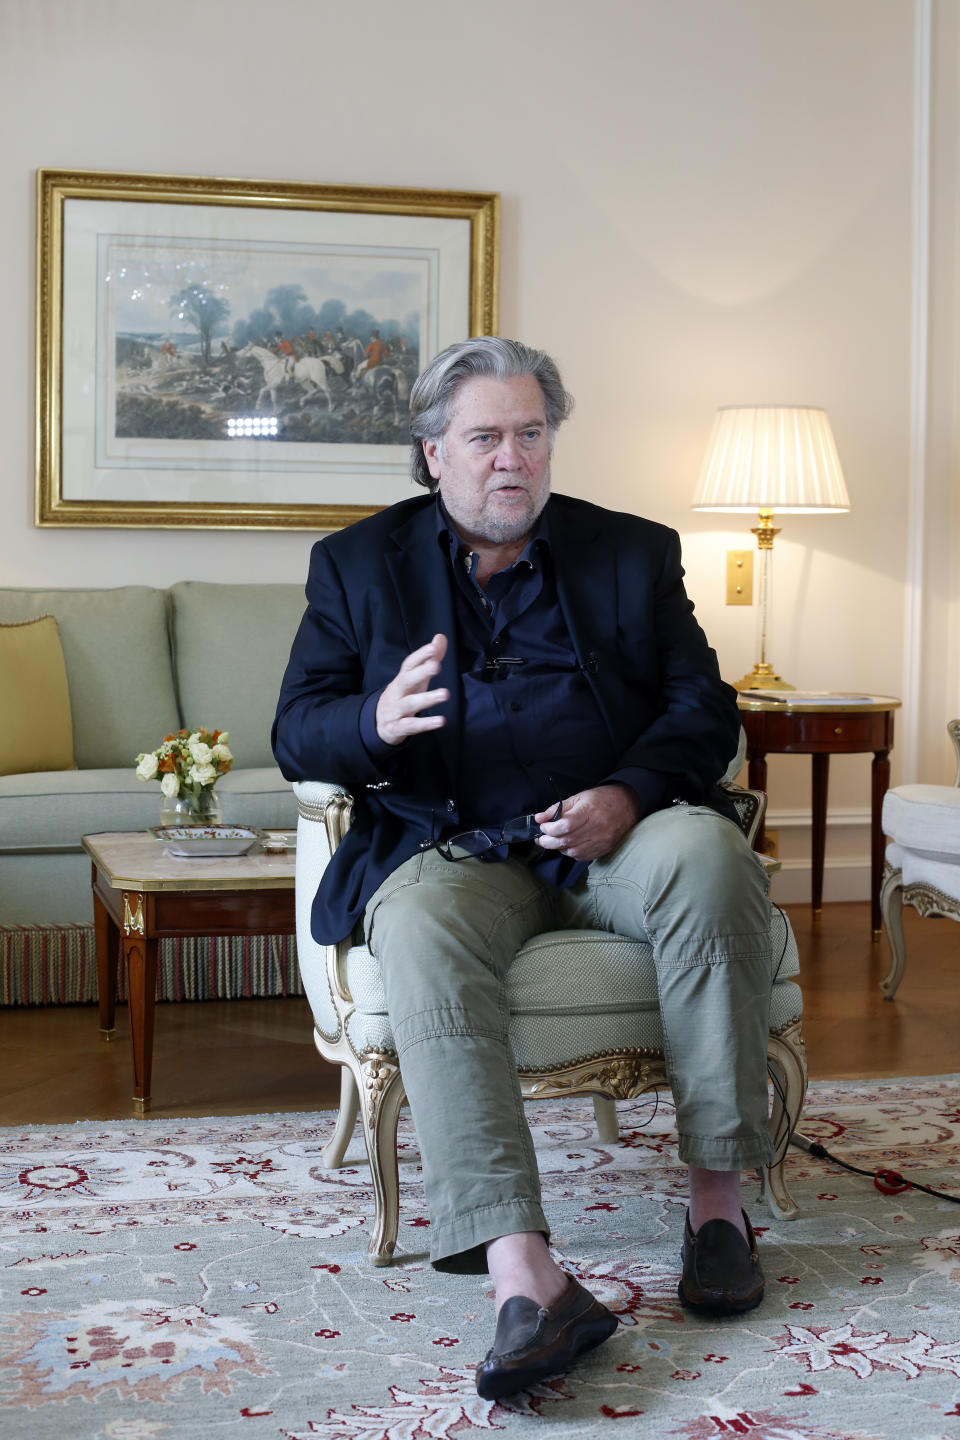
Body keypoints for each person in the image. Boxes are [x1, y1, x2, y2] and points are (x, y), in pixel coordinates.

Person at [273, 337, 775, 1400]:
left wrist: (628, 795)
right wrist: (371, 719)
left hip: (621, 834)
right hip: (458, 843)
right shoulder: (358, 565)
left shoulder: (631, 553)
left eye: (532, 434)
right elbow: (299, 733)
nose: (514, 459)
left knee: (712, 856)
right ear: (432, 453)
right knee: (414, 927)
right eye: (486, 437)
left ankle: (717, 1207)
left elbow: (704, 707)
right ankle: (525, 1275)